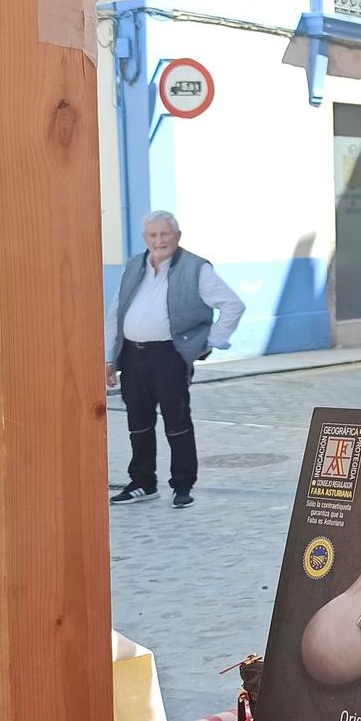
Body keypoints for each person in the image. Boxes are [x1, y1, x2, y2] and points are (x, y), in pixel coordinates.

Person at [106, 211, 245, 509]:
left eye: (165, 234)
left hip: (169, 354)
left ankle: (182, 485)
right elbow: (115, 314)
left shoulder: (196, 268)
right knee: (137, 420)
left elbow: (232, 305)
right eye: (153, 235)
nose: (159, 241)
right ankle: (142, 482)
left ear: (177, 236)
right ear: (145, 238)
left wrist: (211, 342)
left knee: (176, 420)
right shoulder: (133, 266)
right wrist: (109, 358)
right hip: (132, 354)